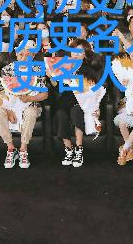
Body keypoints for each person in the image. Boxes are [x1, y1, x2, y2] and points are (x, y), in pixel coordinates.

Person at [0, 41, 47, 169]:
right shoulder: (7, 69)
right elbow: (0, 94)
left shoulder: (38, 70)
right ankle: (11, 148)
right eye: (21, 54)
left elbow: (45, 94)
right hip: (9, 106)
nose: (24, 58)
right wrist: (8, 111)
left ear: (33, 56)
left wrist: (29, 98)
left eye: (28, 55)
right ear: (16, 54)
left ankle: (23, 149)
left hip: (30, 105)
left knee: (31, 112)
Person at [50, 39, 103, 168]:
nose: (76, 54)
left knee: (76, 111)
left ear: (85, 54)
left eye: (80, 51)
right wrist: (51, 76)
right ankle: (69, 150)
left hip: (80, 102)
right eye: (74, 51)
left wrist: (97, 108)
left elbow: (94, 92)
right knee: (60, 114)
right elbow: (57, 86)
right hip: (65, 99)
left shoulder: (89, 71)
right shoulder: (63, 67)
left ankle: (79, 149)